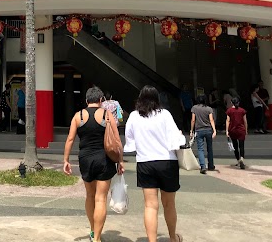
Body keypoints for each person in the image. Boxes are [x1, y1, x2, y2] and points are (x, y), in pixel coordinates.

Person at [124, 85, 186, 242]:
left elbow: (129, 140)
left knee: (150, 206)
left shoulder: (133, 116)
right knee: (169, 204)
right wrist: (181, 137)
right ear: (157, 99)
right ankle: (173, 238)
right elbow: (176, 139)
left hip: (145, 163)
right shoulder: (164, 114)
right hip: (167, 162)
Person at [63, 87, 124, 242]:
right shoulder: (107, 114)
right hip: (104, 159)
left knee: (90, 196)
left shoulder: (79, 116)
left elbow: (70, 139)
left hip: (85, 159)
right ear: (101, 100)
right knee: (101, 198)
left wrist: (66, 160)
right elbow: (116, 140)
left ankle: (92, 230)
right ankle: (96, 237)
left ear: (86, 100)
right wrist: (121, 161)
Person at [191, 95, 216, 174]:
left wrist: (191, 130)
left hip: (199, 130)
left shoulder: (194, 108)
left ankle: (203, 166)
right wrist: (214, 130)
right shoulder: (209, 109)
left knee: (200, 149)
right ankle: (211, 165)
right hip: (208, 129)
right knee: (209, 148)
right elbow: (211, 120)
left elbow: (193, 120)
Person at [226, 96, 248, 169]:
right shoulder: (242, 110)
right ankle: (242, 158)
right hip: (241, 130)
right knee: (241, 146)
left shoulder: (229, 111)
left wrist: (227, 130)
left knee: (235, 146)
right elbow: (245, 121)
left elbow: (228, 121)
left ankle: (238, 160)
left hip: (232, 130)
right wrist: (246, 130)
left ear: (231, 102)